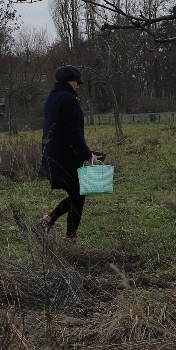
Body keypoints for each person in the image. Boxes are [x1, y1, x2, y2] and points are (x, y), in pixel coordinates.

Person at [39, 64, 102, 242]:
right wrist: (87, 155)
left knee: (77, 194)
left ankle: (49, 219)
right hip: (66, 156)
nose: (78, 86)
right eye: (76, 82)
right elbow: (73, 133)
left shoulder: (52, 98)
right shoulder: (69, 100)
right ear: (69, 81)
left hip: (52, 154)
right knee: (79, 194)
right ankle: (69, 237)